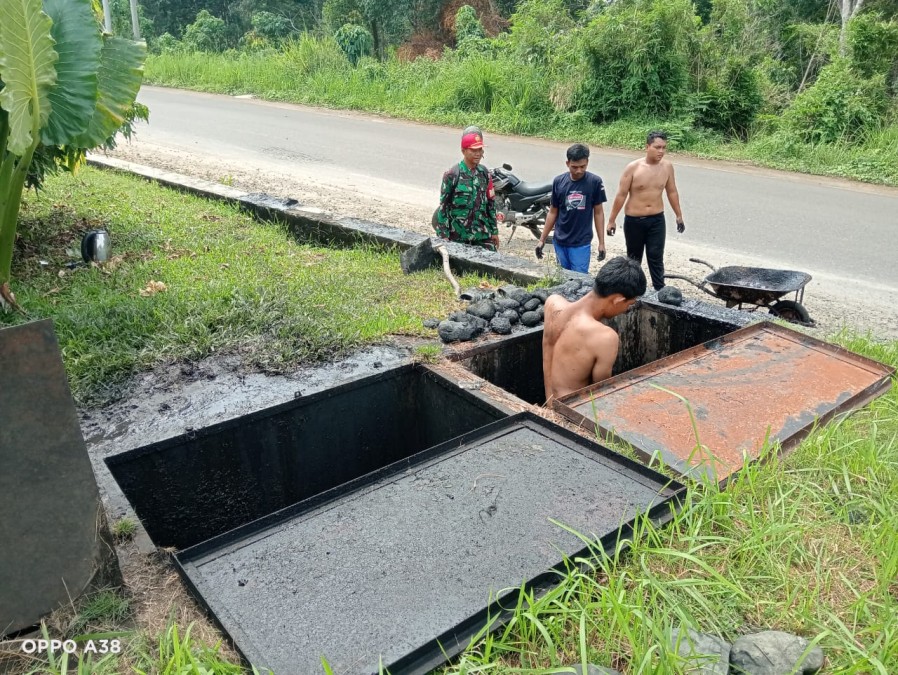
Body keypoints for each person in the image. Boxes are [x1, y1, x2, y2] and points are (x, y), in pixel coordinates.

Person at [542, 256, 646, 403]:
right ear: (618, 300)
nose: (625, 310)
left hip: (550, 403)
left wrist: (550, 405)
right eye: (629, 305)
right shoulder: (605, 337)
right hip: (573, 414)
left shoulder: (552, 303)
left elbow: (547, 356)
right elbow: (601, 396)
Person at [606, 131, 685, 291]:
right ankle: (633, 289)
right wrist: (612, 220)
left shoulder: (667, 167)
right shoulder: (633, 168)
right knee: (634, 259)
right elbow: (621, 194)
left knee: (656, 256)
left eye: (664, 148)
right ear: (647, 147)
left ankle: (659, 289)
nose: (661, 151)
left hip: (656, 219)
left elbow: (672, 191)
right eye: (657, 147)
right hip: (634, 220)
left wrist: (679, 215)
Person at [535, 144, 607, 273]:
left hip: (581, 243)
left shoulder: (595, 182)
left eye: (583, 166)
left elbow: (598, 213)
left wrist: (602, 243)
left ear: (587, 163)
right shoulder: (558, 182)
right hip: (560, 241)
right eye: (575, 167)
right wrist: (542, 239)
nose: (579, 170)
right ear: (567, 163)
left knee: (579, 279)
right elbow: (553, 211)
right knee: (562, 276)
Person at [435, 129, 500, 251]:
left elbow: (490, 205)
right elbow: (443, 207)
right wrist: (443, 236)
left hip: (482, 236)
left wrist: (494, 231)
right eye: (473, 150)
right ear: (463, 151)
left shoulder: (485, 173)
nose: (478, 153)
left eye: (480, 150)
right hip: (458, 237)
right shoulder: (452, 174)